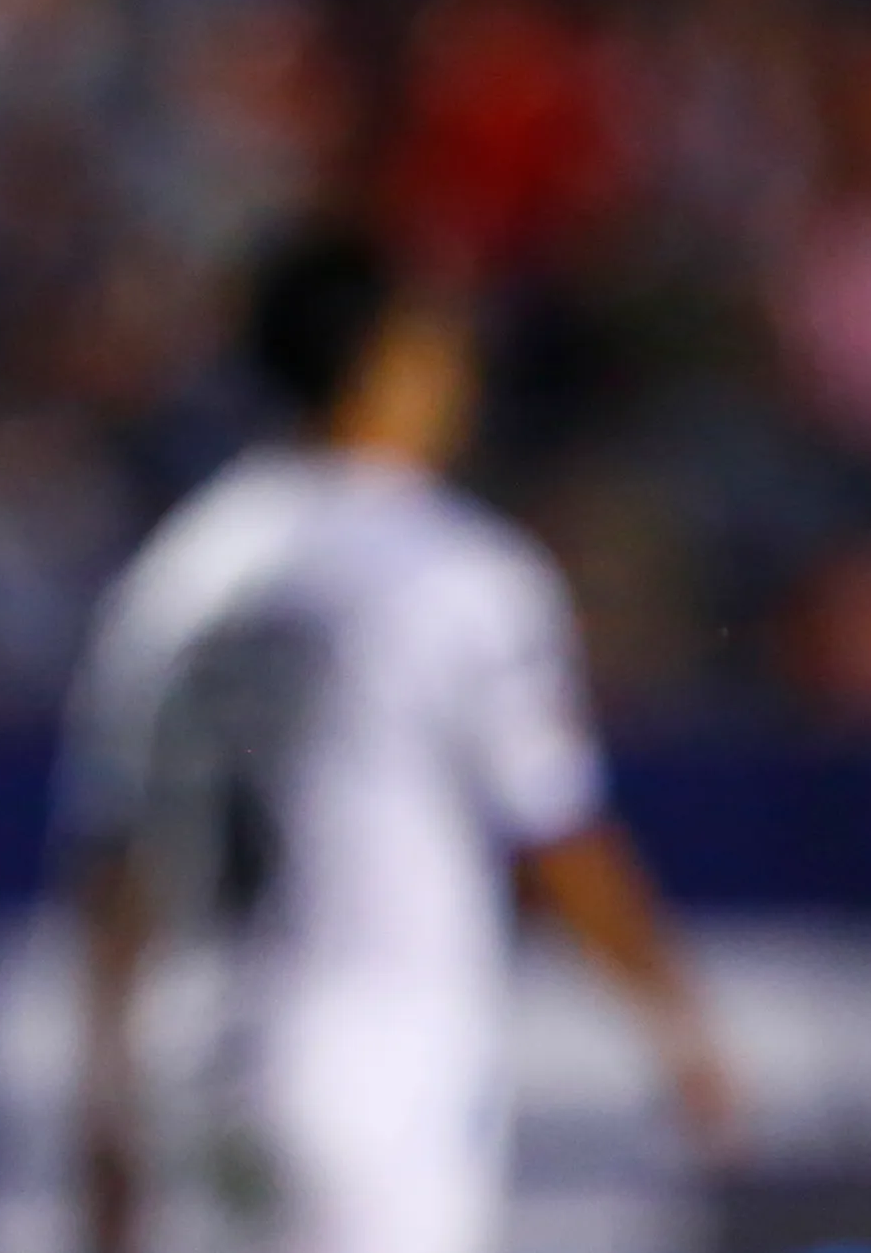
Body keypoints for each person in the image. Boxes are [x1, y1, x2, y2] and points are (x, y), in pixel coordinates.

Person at [58, 233, 737, 1253]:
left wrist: (105, 1099)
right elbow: (553, 829)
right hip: (372, 1057)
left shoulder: (171, 578)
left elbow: (115, 867)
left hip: (192, 1052)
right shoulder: (453, 569)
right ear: (382, 359)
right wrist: (675, 1022)